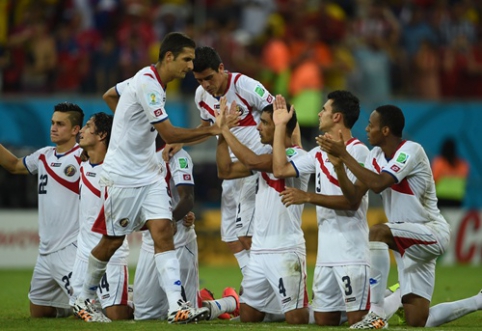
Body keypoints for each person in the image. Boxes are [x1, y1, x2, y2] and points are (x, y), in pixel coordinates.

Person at [73, 32, 223, 323]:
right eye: (187, 59)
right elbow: (169, 134)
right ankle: (84, 297)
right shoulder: (148, 84)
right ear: (169, 57)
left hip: (149, 174)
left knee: (164, 231)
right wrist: (211, 129)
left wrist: (133, 123)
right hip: (123, 177)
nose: (191, 66)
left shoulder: (149, 81)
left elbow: (111, 95)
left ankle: (176, 305)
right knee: (112, 241)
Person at [318, 105, 482, 328]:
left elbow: (378, 184)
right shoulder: (375, 155)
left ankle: (375, 313)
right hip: (406, 241)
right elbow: (354, 196)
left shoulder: (411, 151)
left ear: (385, 130)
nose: (366, 129)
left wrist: (344, 155)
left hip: (430, 231)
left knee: (377, 232)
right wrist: (339, 167)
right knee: (418, 321)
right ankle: (478, 300)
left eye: (371, 125)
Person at [163, 46, 301, 277]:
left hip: (255, 167)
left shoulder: (246, 86)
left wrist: (294, 151)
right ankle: (255, 287)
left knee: (247, 235)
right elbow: (207, 128)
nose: (206, 84)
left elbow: (283, 115)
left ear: (221, 68)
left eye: (209, 78)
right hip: (229, 166)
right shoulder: (201, 97)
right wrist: (182, 142)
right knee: (230, 238)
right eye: (199, 80)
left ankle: (265, 290)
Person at [271, 91, 375, 326]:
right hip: (326, 254)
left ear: (337, 117)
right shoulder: (318, 153)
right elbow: (280, 169)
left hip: (352, 252)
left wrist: (307, 196)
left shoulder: (358, 152)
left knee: (358, 322)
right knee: (323, 321)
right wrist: (280, 126)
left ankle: (387, 303)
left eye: (324, 110)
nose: (319, 113)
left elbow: (352, 203)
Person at [215, 96, 310, 324]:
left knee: (298, 319)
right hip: (259, 251)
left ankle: (335, 311)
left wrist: (226, 130)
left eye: (265, 122)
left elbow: (255, 162)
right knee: (249, 316)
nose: (258, 127)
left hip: (286, 250)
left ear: (280, 126)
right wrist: (221, 135)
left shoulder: (298, 156)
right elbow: (225, 170)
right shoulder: (267, 158)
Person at [0, 102, 84, 318]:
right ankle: (70, 307)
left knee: (89, 308)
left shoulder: (83, 157)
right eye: (52, 123)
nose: (53, 128)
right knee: (40, 311)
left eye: (60, 124)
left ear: (75, 130)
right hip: (45, 250)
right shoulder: (43, 155)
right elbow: (14, 165)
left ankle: (125, 295)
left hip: (70, 246)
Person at [70, 112, 133, 320]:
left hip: (111, 253)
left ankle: (138, 299)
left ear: (102, 135)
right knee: (79, 315)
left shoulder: (116, 170)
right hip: (83, 255)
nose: (82, 130)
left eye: (88, 126)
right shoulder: (82, 164)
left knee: (118, 316)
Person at [133, 136, 199, 320]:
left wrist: (172, 220)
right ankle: (218, 301)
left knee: (188, 312)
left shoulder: (177, 155)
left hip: (177, 237)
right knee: (144, 315)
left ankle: (225, 304)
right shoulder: (136, 156)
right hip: (149, 240)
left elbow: (188, 198)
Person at [431, 137, 469, 208]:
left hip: (441, 196)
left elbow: (434, 179)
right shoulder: (462, 164)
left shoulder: (440, 162)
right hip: (457, 197)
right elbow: (465, 177)